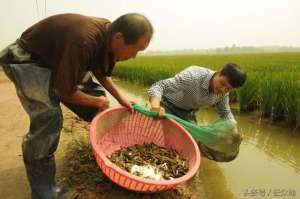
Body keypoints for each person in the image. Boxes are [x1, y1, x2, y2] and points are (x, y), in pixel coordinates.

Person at [0, 13, 153, 199]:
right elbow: (62, 90)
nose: (135, 56)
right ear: (119, 37)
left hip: (55, 60)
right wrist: (97, 102)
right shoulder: (85, 40)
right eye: (136, 50)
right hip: (27, 59)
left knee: (96, 95)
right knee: (48, 120)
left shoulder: (108, 36)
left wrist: (121, 99)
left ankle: (105, 149)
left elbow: (100, 71)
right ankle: (43, 192)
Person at [148, 63, 246, 162]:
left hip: (188, 112)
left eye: (228, 88)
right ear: (219, 72)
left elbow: (225, 113)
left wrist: (234, 130)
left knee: (193, 143)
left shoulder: (223, 94)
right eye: (222, 83)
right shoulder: (193, 76)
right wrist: (156, 106)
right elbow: (159, 86)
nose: (223, 89)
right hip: (167, 105)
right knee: (170, 138)